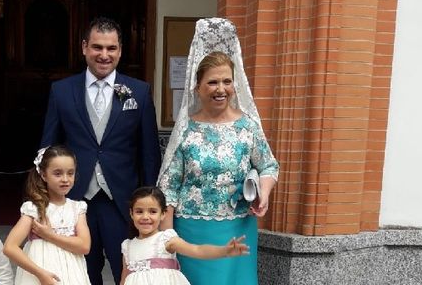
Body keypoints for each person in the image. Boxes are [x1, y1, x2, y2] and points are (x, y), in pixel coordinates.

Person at [157, 17, 279, 285]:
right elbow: (168, 188)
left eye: (227, 81)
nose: (221, 89)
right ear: (197, 87)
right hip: (191, 230)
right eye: (212, 82)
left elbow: (269, 166)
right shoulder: (186, 131)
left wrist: (265, 193)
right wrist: (167, 240)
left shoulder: (247, 126)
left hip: (239, 225)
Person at [41, 16, 161, 285]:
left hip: (122, 199)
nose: (104, 55)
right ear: (84, 47)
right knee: (80, 271)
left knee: (128, 269)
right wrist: (45, 197)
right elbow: (48, 148)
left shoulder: (138, 92)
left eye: (111, 48)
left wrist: (151, 199)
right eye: (97, 47)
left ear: (120, 50)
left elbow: (149, 152)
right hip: (73, 199)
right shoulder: (61, 91)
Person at [120, 186, 250, 285]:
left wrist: (224, 251)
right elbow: (124, 279)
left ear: (163, 214)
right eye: (139, 211)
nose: (145, 217)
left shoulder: (166, 239)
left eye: (153, 211)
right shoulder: (128, 246)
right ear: (131, 214)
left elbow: (197, 250)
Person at [3, 145, 91, 285]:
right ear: (44, 175)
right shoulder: (34, 209)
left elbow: (84, 246)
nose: (65, 179)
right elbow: (10, 247)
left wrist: (49, 235)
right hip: (40, 274)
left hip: (71, 273)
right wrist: (40, 274)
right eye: (57, 173)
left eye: (70, 173)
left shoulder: (77, 208)